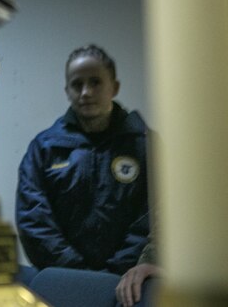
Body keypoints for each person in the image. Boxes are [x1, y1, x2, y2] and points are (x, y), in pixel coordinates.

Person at [16, 44, 150, 276]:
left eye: (95, 82)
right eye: (77, 84)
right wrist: (78, 274)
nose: (86, 92)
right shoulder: (45, 148)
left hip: (128, 284)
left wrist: (116, 271)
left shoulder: (144, 145)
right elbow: (34, 219)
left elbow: (153, 216)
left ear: (114, 87)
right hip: (64, 282)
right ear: (67, 90)